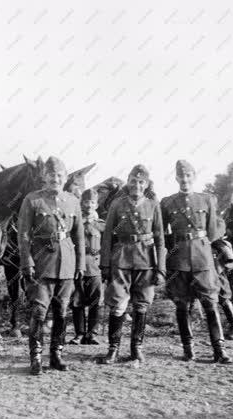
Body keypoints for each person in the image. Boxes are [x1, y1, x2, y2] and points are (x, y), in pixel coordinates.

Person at [17, 156, 85, 375]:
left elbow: (80, 236)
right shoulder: (32, 200)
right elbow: (24, 234)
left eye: (59, 175)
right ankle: (36, 357)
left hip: (67, 263)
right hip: (42, 262)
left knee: (62, 311)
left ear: (65, 178)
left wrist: (80, 264)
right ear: (43, 177)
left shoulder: (73, 201)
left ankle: (56, 354)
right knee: (38, 311)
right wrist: (26, 260)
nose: (55, 179)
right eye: (51, 175)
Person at [160, 160, 232, 363]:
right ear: (176, 178)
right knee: (182, 305)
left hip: (202, 257)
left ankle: (219, 350)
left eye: (188, 176)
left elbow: (212, 231)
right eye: (181, 177)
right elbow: (162, 232)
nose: (185, 180)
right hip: (178, 258)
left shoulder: (207, 199)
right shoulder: (167, 202)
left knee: (210, 303)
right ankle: (188, 349)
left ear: (194, 177)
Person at [99, 165, 166, 364]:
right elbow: (107, 237)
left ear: (146, 185)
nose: (136, 185)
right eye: (133, 181)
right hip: (121, 259)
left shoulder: (153, 205)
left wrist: (160, 268)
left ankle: (137, 348)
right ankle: (113, 349)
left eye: (141, 182)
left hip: (146, 260)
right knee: (118, 304)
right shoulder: (117, 204)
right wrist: (105, 264)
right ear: (127, 182)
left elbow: (161, 238)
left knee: (141, 304)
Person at [69, 188, 105, 345]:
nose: (89, 205)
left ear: (96, 205)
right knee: (77, 300)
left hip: (96, 267)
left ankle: (92, 334)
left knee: (95, 302)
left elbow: (107, 246)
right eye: (86, 202)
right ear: (81, 203)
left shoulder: (101, 225)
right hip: (78, 266)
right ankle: (79, 333)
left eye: (92, 202)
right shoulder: (75, 223)